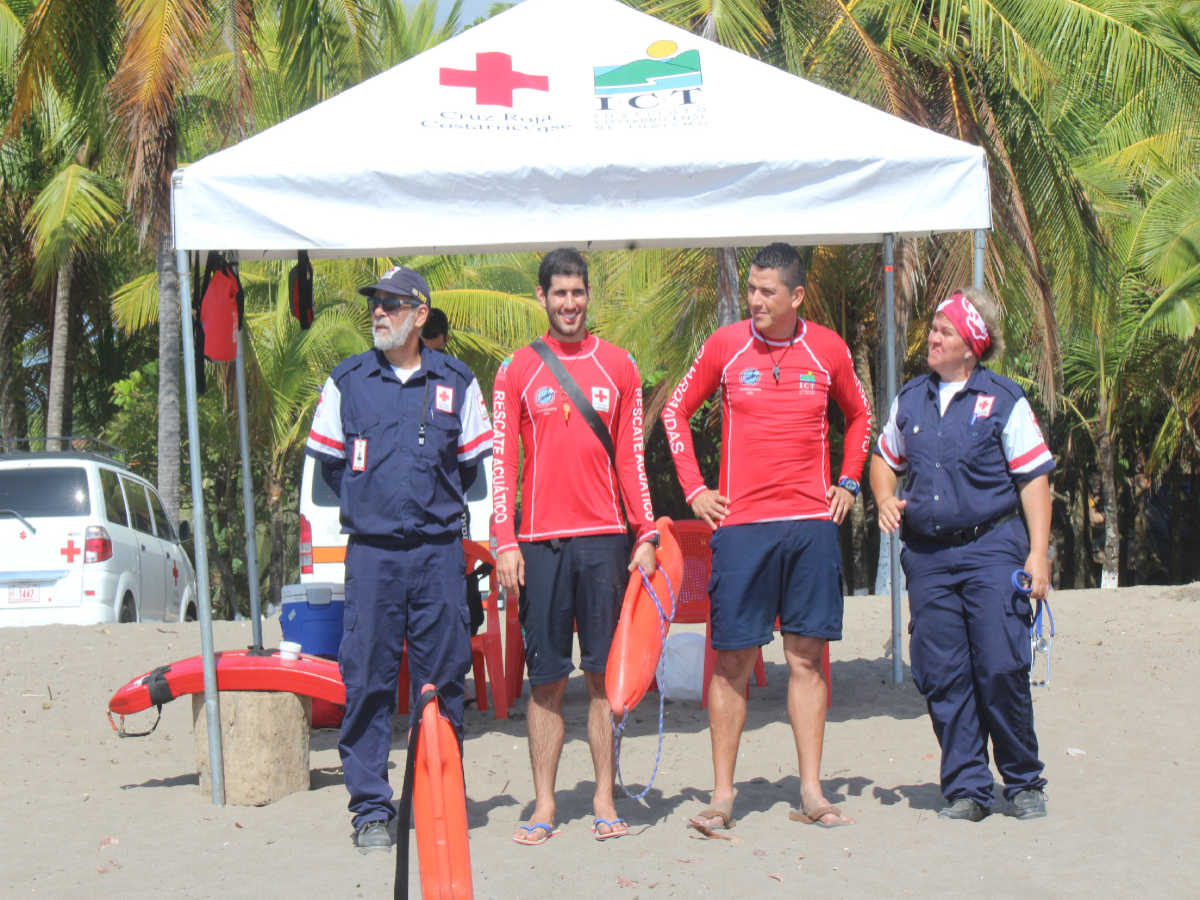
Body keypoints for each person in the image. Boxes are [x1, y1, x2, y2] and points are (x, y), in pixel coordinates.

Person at [662, 242, 872, 831]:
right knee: (731, 660)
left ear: (796, 296)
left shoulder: (826, 348)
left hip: (810, 525)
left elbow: (860, 415)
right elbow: (674, 412)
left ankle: (811, 791)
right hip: (743, 526)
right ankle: (723, 796)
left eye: (766, 292)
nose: (754, 300)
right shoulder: (725, 347)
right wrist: (696, 489)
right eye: (751, 289)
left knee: (806, 659)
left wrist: (850, 481)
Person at [305, 265, 493, 852]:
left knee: (444, 681)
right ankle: (370, 810)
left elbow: (468, 468)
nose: (378, 313)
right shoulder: (347, 382)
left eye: (390, 305)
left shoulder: (458, 383)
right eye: (374, 304)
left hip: (439, 556)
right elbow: (332, 467)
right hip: (373, 557)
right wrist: (378, 500)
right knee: (368, 681)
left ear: (419, 316)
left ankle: (437, 794)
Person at [492, 248, 658, 845]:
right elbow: (502, 461)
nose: (569, 303)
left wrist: (646, 533)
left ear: (589, 296)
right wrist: (504, 539)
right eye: (559, 293)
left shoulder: (620, 366)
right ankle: (543, 804)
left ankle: (605, 796)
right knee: (546, 682)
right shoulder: (517, 369)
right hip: (539, 544)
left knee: (602, 680)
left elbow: (632, 461)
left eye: (578, 293)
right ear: (542, 298)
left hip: (605, 543)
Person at [869, 287, 1053, 822]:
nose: (933, 337)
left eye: (945, 331)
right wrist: (884, 497)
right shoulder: (911, 399)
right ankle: (968, 788)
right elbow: (884, 459)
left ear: (971, 346)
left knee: (999, 665)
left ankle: (1022, 781)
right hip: (928, 559)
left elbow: (1034, 480)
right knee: (944, 674)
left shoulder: (1005, 400)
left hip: (992, 550)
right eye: (933, 328)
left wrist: (1037, 555)